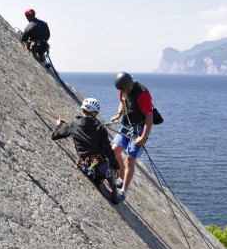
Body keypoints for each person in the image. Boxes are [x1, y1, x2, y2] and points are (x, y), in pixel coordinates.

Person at [51, 98, 120, 204]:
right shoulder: (100, 128)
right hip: (102, 165)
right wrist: (116, 167)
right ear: (94, 112)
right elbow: (107, 150)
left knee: (93, 172)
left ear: (83, 110)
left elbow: (55, 136)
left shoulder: (73, 125)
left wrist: (59, 125)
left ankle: (97, 179)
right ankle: (112, 184)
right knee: (107, 169)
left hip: (86, 165)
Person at [110, 72, 153, 201]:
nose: (123, 91)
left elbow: (149, 117)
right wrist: (118, 114)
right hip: (127, 125)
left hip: (140, 128)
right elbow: (122, 102)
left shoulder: (142, 94)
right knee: (114, 151)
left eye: (124, 89)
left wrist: (143, 137)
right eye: (121, 90)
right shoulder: (123, 89)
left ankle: (124, 190)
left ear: (129, 84)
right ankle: (121, 177)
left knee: (129, 159)